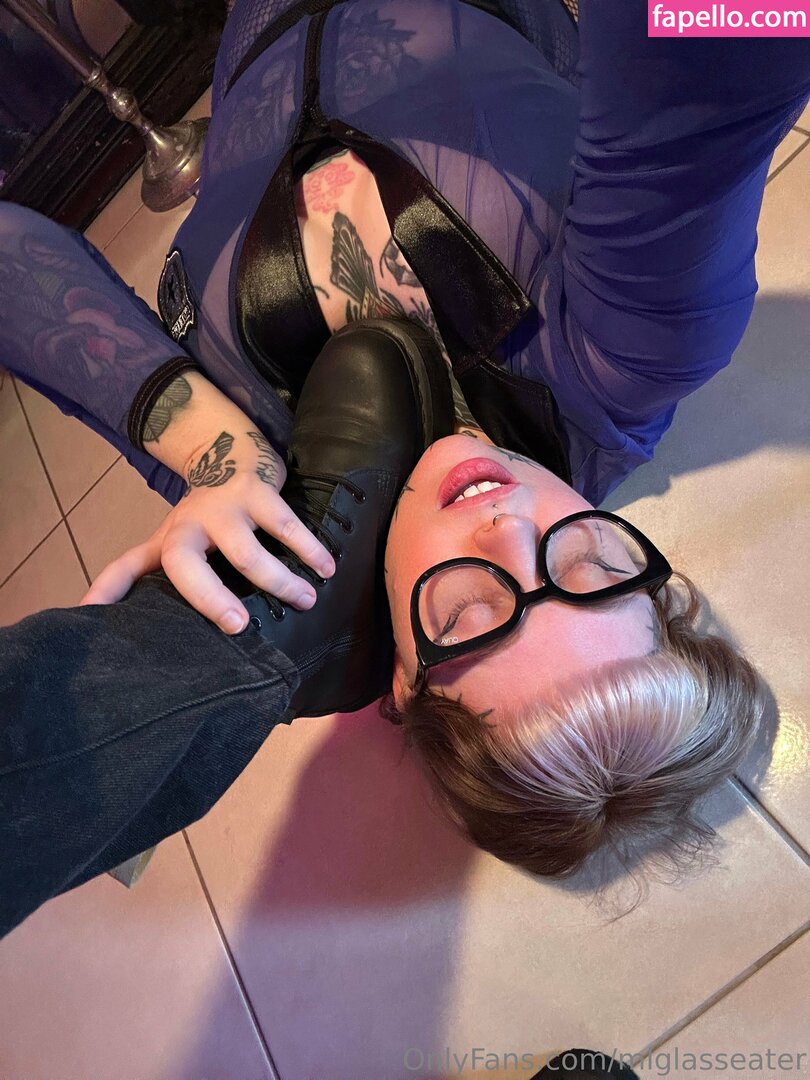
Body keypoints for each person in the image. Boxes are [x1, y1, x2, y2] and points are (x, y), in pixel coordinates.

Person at [1, 0, 807, 933]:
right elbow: (722, 39)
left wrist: (204, 445)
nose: (510, 531)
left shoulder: (267, 518)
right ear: (646, 570)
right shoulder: (626, 357)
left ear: (404, 681)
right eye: (593, 569)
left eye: (469, 615)